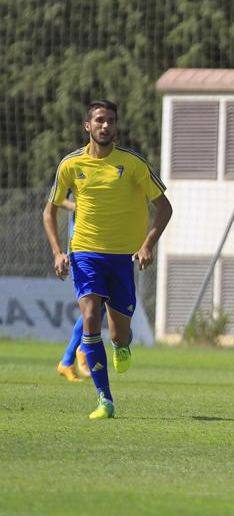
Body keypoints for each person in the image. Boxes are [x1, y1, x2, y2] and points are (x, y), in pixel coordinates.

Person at [41, 100, 172, 420]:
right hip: (85, 253)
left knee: (119, 334)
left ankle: (122, 345)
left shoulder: (133, 163)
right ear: (88, 126)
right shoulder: (70, 164)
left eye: (111, 120)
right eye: (99, 120)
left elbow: (164, 207)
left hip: (122, 259)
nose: (105, 126)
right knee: (89, 316)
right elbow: (50, 210)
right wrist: (59, 252)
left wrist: (147, 245)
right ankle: (105, 400)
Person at [54, 194, 93, 383]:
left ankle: (68, 360)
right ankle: (81, 350)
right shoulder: (73, 166)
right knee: (95, 303)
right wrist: (75, 206)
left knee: (101, 304)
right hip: (81, 248)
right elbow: (56, 199)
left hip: (103, 248)